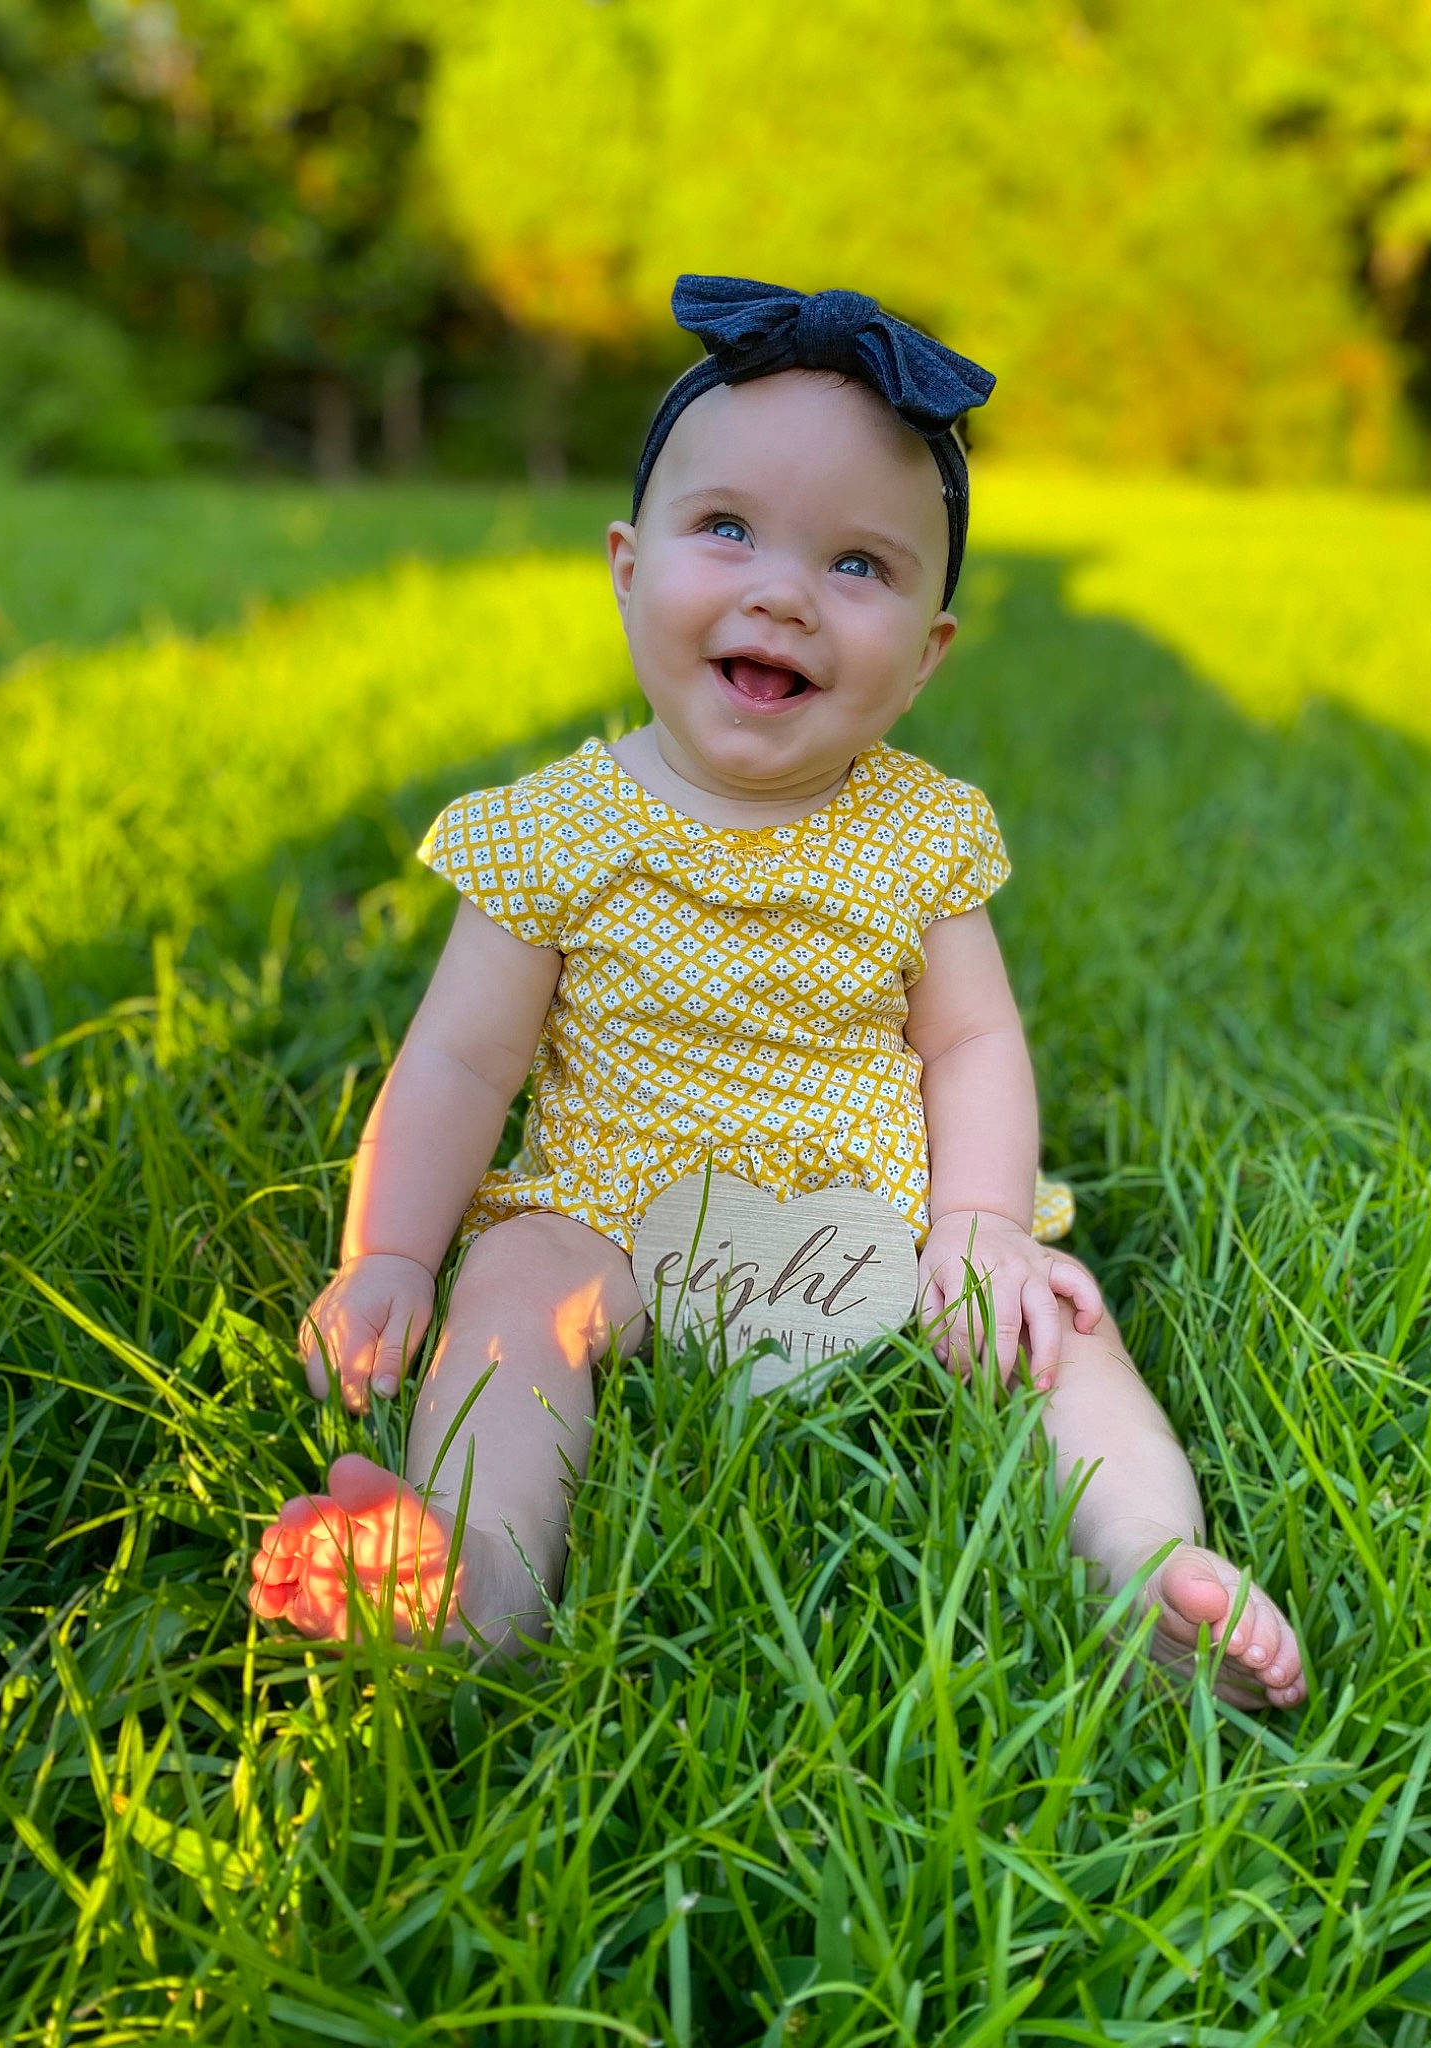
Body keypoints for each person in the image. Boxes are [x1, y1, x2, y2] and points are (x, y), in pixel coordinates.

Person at [249, 276, 1307, 1711]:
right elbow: (456, 1064)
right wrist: (388, 1255)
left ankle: (1155, 1575)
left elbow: (975, 1038)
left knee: (1055, 1325)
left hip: (871, 1226)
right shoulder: (556, 826)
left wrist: (980, 1227)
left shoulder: (918, 833)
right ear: (628, 565)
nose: (782, 592)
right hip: (612, 1217)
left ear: (929, 651)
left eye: (860, 565)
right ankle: (472, 1583)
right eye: (727, 529)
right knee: (510, 1298)